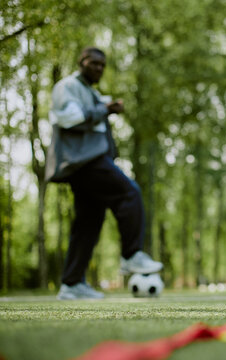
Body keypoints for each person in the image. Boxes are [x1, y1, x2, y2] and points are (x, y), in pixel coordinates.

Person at [47, 47, 163, 300]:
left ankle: (72, 283)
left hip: (88, 162)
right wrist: (105, 109)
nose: (99, 68)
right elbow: (69, 118)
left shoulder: (91, 92)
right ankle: (132, 255)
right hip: (82, 161)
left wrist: (104, 107)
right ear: (81, 62)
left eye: (102, 65)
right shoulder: (67, 86)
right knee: (129, 193)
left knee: (89, 221)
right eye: (94, 63)